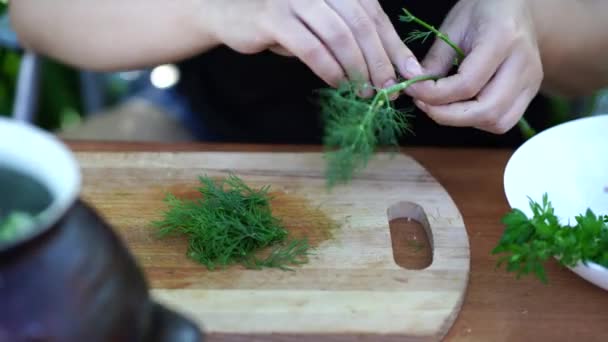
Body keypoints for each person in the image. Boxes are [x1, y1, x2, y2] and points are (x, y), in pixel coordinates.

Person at [8, 0, 608, 147]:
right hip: (208, 131)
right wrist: (213, 8)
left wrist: (532, 17)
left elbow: (595, 49)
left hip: (478, 163)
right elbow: (42, 16)